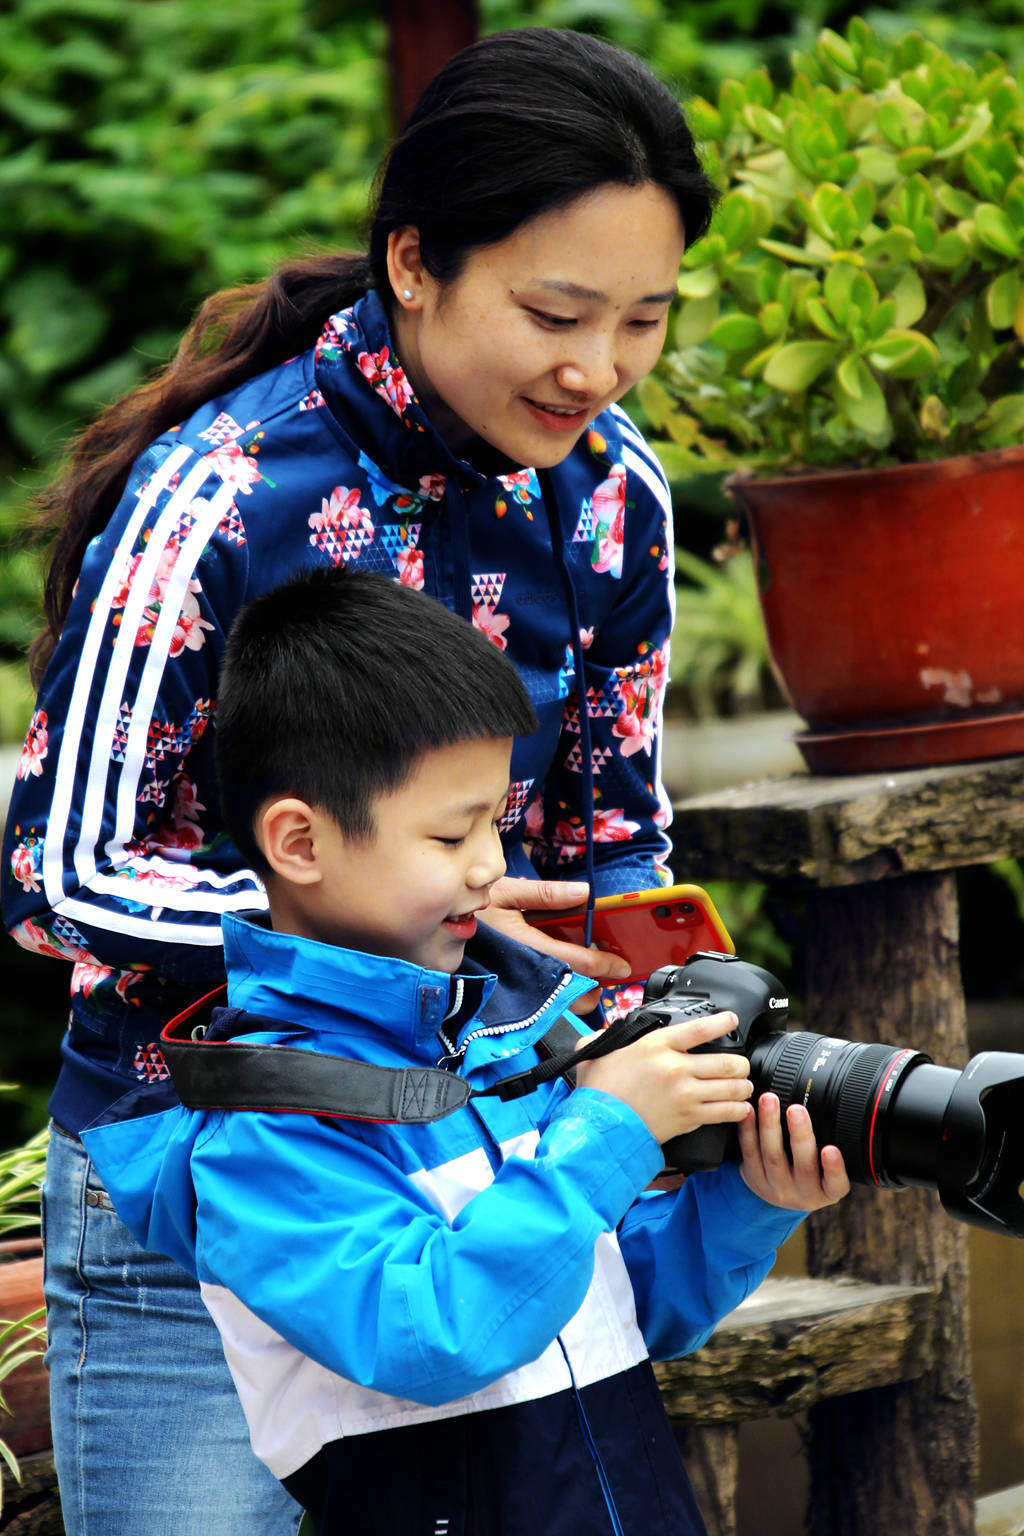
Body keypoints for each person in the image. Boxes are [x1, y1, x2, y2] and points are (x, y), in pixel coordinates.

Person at [4, 23, 719, 1535]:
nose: (600, 368)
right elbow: (57, 874)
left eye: (647, 320)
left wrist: (676, 1045)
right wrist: (371, 946)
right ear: (414, 263)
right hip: (197, 1161)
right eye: (555, 311)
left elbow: (615, 835)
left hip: (479, 1163)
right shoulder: (223, 497)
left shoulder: (610, 500)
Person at [82, 566, 850, 1536]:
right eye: (452, 833)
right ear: (299, 843)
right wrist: (607, 1132)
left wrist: (743, 1204)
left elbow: (625, 1306)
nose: (491, 865)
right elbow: (436, 1331)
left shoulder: (505, 1050)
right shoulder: (268, 1125)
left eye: (495, 818)